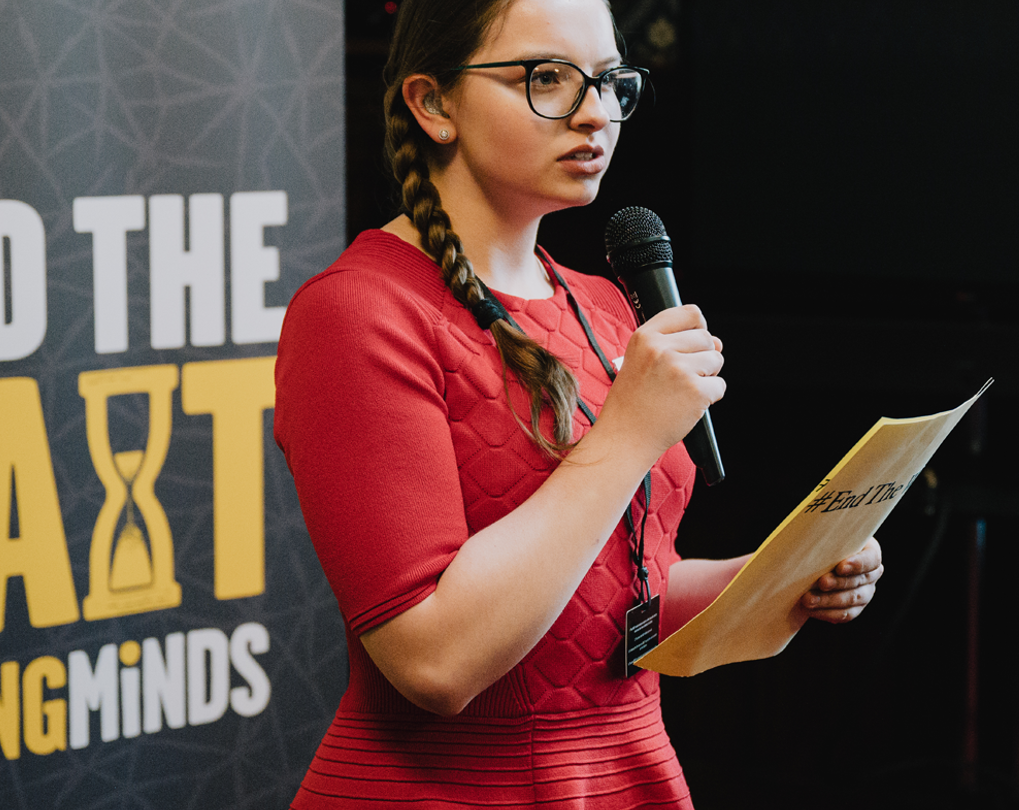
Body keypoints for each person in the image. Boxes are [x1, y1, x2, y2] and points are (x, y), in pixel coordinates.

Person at [273, 0, 883, 806]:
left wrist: (780, 576)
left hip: (622, 773)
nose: (595, 113)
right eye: (548, 78)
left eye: (609, 81)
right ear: (433, 102)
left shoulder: (600, 305)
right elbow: (433, 661)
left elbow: (608, 607)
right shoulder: (357, 312)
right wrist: (627, 435)